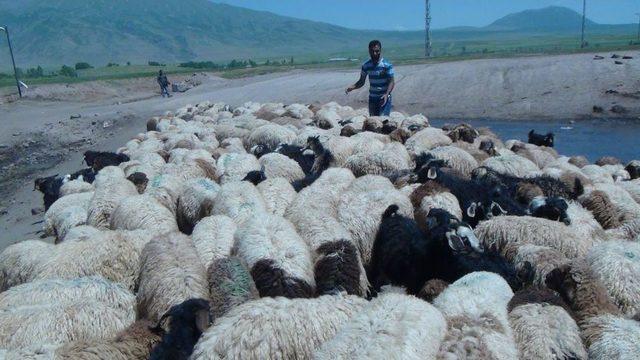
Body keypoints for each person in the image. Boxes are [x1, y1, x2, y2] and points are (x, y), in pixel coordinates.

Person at [345, 40, 395, 116]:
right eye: (372, 51)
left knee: (383, 121)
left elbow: (391, 81)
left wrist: (386, 94)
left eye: (377, 51)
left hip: (384, 98)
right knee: (373, 121)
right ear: (369, 51)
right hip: (372, 98)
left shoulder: (387, 65)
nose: (375, 53)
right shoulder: (366, 66)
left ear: (380, 51)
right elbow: (361, 81)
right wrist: (352, 87)